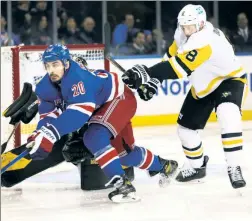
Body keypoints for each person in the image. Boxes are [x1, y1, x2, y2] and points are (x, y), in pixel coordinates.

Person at [26, 44, 178, 203]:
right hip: (104, 107)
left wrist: (50, 134)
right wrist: (39, 134)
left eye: (55, 64)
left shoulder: (78, 78)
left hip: (120, 99)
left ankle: (123, 186)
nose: (51, 70)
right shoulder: (44, 86)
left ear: (66, 63)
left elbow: (79, 114)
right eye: (47, 65)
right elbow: (47, 116)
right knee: (126, 156)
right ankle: (165, 166)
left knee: (94, 137)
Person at [122, 4, 247, 189]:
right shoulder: (183, 34)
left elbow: (179, 67)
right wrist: (154, 81)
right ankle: (197, 167)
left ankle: (234, 166)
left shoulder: (206, 40)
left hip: (229, 81)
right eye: (184, 26)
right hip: (202, 87)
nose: (187, 30)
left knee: (228, 114)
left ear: (201, 24)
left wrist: (146, 73)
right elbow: (171, 56)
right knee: (185, 130)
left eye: (190, 26)